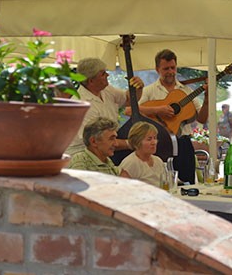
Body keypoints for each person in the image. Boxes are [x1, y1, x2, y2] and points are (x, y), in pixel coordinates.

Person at [133, 49, 209, 183]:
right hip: (159, 144)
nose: (170, 72)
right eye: (166, 68)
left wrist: (207, 98)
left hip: (183, 144)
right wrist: (158, 110)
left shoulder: (186, 91)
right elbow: (130, 110)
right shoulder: (149, 91)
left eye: (173, 68)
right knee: (162, 183)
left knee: (187, 185)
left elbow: (202, 119)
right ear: (157, 69)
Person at [65, 57, 144, 156]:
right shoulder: (81, 105)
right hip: (82, 157)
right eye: (103, 73)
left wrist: (138, 88)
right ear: (91, 81)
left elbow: (129, 100)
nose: (108, 75)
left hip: (105, 149)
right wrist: (131, 143)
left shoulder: (107, 90)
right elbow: (97, 142)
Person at [119, 121, 165, 187]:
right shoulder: (130, 163)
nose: (154, 142)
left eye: (155, 138)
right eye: (149, 139)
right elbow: (123, 190)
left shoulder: (158, 161)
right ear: (137, 141)